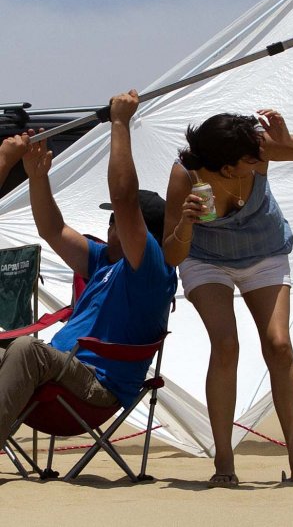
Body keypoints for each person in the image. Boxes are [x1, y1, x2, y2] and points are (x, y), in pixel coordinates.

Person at [162, 109, 293, 488]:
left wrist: (286, 142)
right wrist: (186, 224)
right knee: (226, 345)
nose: (261, 160)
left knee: (279, 345)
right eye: (251, 160)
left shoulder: (258, 151)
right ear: (226, 168)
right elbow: (172, 255)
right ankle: (224, 461)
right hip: (206, 259)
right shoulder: (185, 176)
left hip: (264, 252)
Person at [0, 90, 176, 441]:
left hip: (95, 387)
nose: (109, 226)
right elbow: (52, 229)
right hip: (59, 373)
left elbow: (124, 199)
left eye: (115, 222)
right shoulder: (103, 261)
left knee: (27, 349)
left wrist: (120, 123)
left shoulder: (150, 269)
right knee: (23, 350)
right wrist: (37, 177)